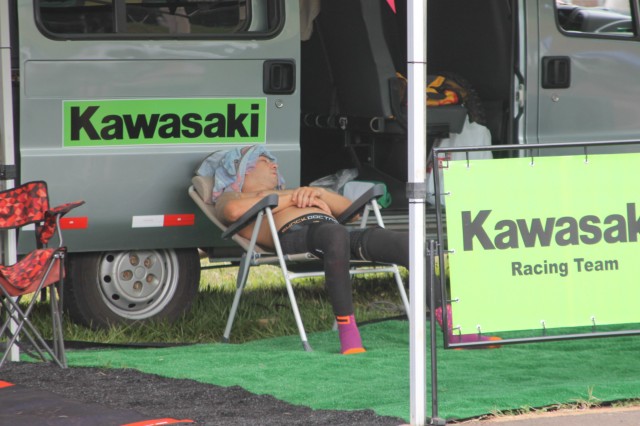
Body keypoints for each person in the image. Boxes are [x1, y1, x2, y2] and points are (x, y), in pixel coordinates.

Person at [211, 145, 410, 355]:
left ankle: (445, 316)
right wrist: (294, 197)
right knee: (335, 235)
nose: (275, 164)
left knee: (408, 244)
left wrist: (319, 193)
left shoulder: (302, 191)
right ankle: (348, 332)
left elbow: (352, 214)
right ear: (242, 169)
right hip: (294, 235)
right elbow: (232, 212)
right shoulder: (234, 195)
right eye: (265, 160)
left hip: (335, 233)